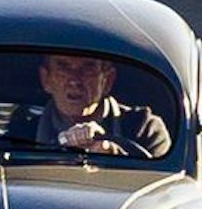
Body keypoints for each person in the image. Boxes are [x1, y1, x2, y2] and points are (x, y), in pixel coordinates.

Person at [10, 52, 170, 158]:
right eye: (63, 67)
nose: (74, 80)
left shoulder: (144, 129)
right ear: (46, 79)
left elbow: (164, 192)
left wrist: (114, 154)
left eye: (88, 68)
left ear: (107, 80)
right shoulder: (22, 134)